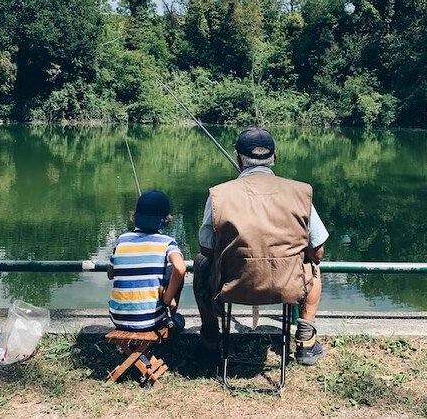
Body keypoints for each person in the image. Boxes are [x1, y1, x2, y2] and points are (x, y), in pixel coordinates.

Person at [194, 128, 329, 366]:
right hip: (288, 286)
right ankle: (306, 341)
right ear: (275, 155)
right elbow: (317, 250)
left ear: (238, 158)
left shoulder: (218, 195)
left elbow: (206, 249)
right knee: (313, 266)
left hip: (232, 286)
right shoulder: (300, 192)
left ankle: (211, 337)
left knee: (201, 263)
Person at [107, 190, 187, 331]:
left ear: (135, 216)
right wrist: (167, 298)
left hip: (117, 318)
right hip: (150, 321)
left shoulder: (121, 240)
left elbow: (110, 274)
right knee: (180, 320)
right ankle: (170, 320)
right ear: (165, 220)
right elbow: (180, 269)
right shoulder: (167, 242)